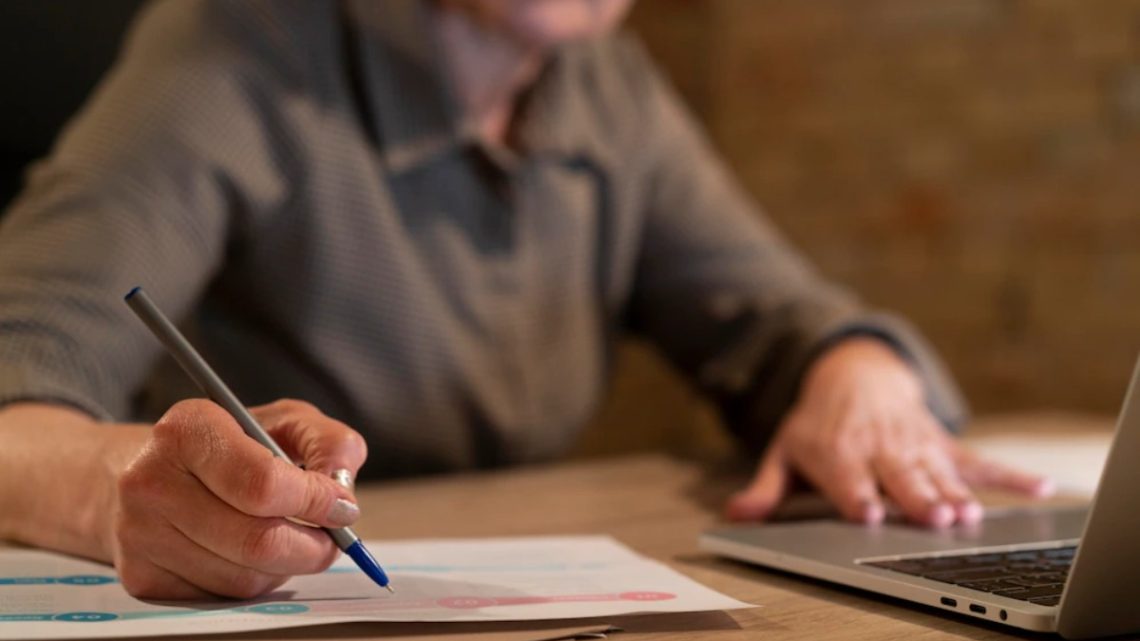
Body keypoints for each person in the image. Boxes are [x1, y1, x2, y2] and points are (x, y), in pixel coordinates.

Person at [0, 0, 1052, 600]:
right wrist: (121, 493)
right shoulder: (240, 43)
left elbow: (777, 316)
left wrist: (854, 374)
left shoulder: (603, 84)